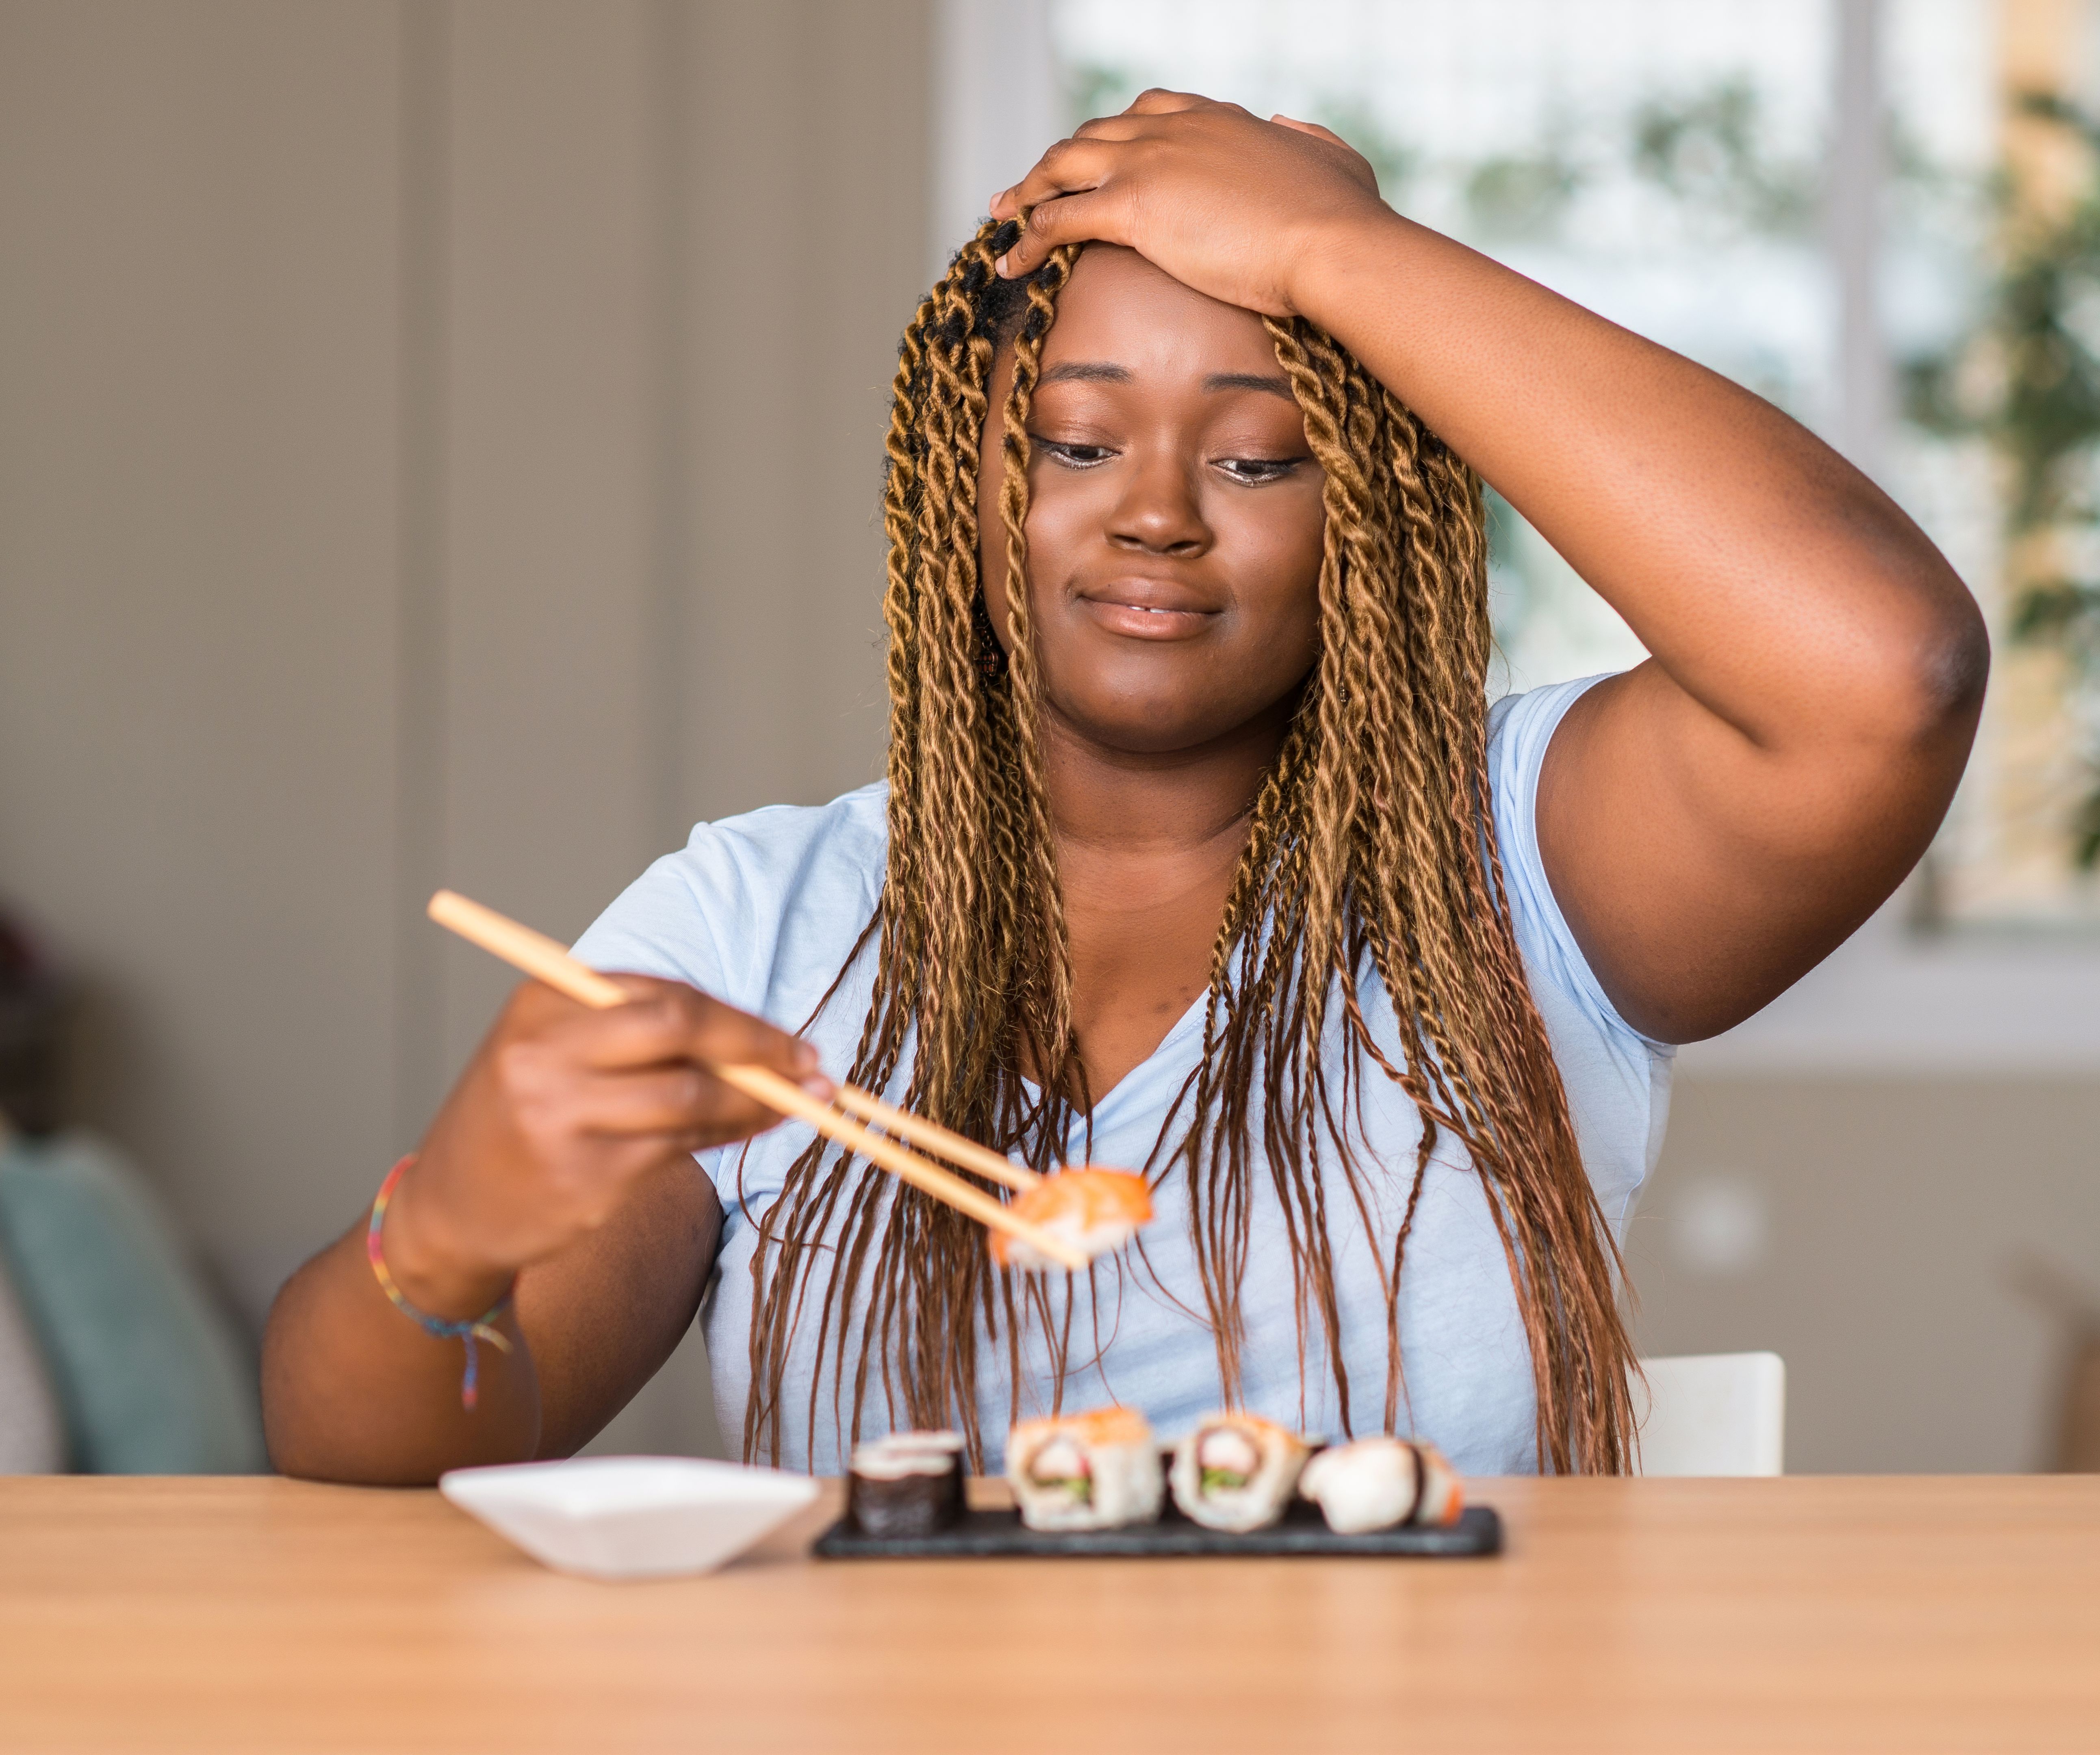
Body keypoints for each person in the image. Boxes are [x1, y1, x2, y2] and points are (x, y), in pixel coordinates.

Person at [262, 93, 1984, 1483]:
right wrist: (454, 1233)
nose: (1154, 513)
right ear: (968, 491)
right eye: (1077, 443)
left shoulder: (1526, 860)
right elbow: (357, 1445)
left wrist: (1339, 251)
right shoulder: (758, 923)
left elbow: (1880, 672)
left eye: (1254, 458)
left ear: (1368, 524)